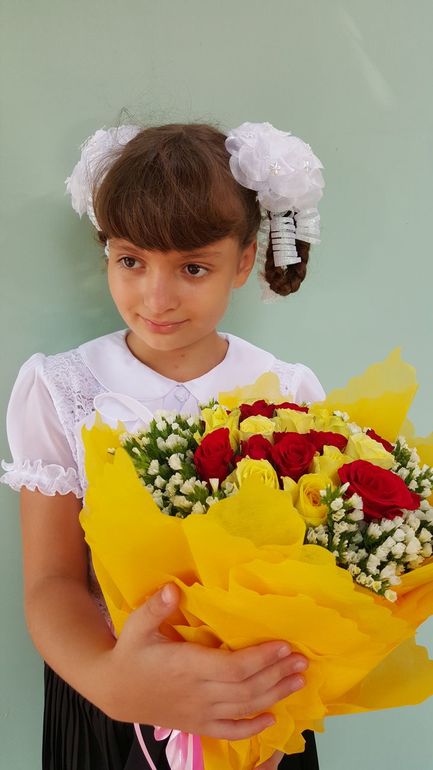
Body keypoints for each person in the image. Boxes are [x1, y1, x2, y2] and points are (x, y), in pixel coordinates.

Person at [1, 120, 325, 770]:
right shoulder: (62, 388)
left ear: (242, 261)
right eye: (131, 261)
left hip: (251, 700)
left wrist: (275, 722)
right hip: (108, 697)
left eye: (192, 268)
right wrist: (108, 680)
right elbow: (53, 580)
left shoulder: (287, 392)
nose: (156, 296)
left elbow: (311, 575)